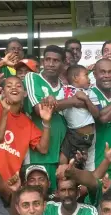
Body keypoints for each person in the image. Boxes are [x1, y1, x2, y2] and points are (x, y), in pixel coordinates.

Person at [0, 75, 52, 215]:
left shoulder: (26, 122)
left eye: (18, 85)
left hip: (5, 186)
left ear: (25, 93)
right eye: (9, 86)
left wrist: (46, 122)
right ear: (2, 91)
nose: (14, 87)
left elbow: (43, 148)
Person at [23, 45, 68, 191]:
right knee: (33, 199)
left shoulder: (64, 87)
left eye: (55, 60)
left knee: (54, 200)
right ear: (42, 61)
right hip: (35, 156)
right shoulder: (32, 77)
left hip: (58, 158)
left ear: (62, 64)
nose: (50, 64)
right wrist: (73, 101)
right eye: (47, 59)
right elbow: (38, 109)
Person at [58, 64, 101, 170]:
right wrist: (71, 101)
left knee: (78, 162)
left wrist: (86, 99)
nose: (89, 78)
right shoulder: (64, 90)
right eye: (86, 75)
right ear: (75, 78)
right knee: (62, 158)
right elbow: (57, 104)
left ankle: (77, 184)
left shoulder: (90, 92)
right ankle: (62, 181)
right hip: (71, 132)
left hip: (84, 136)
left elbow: (97, 114)